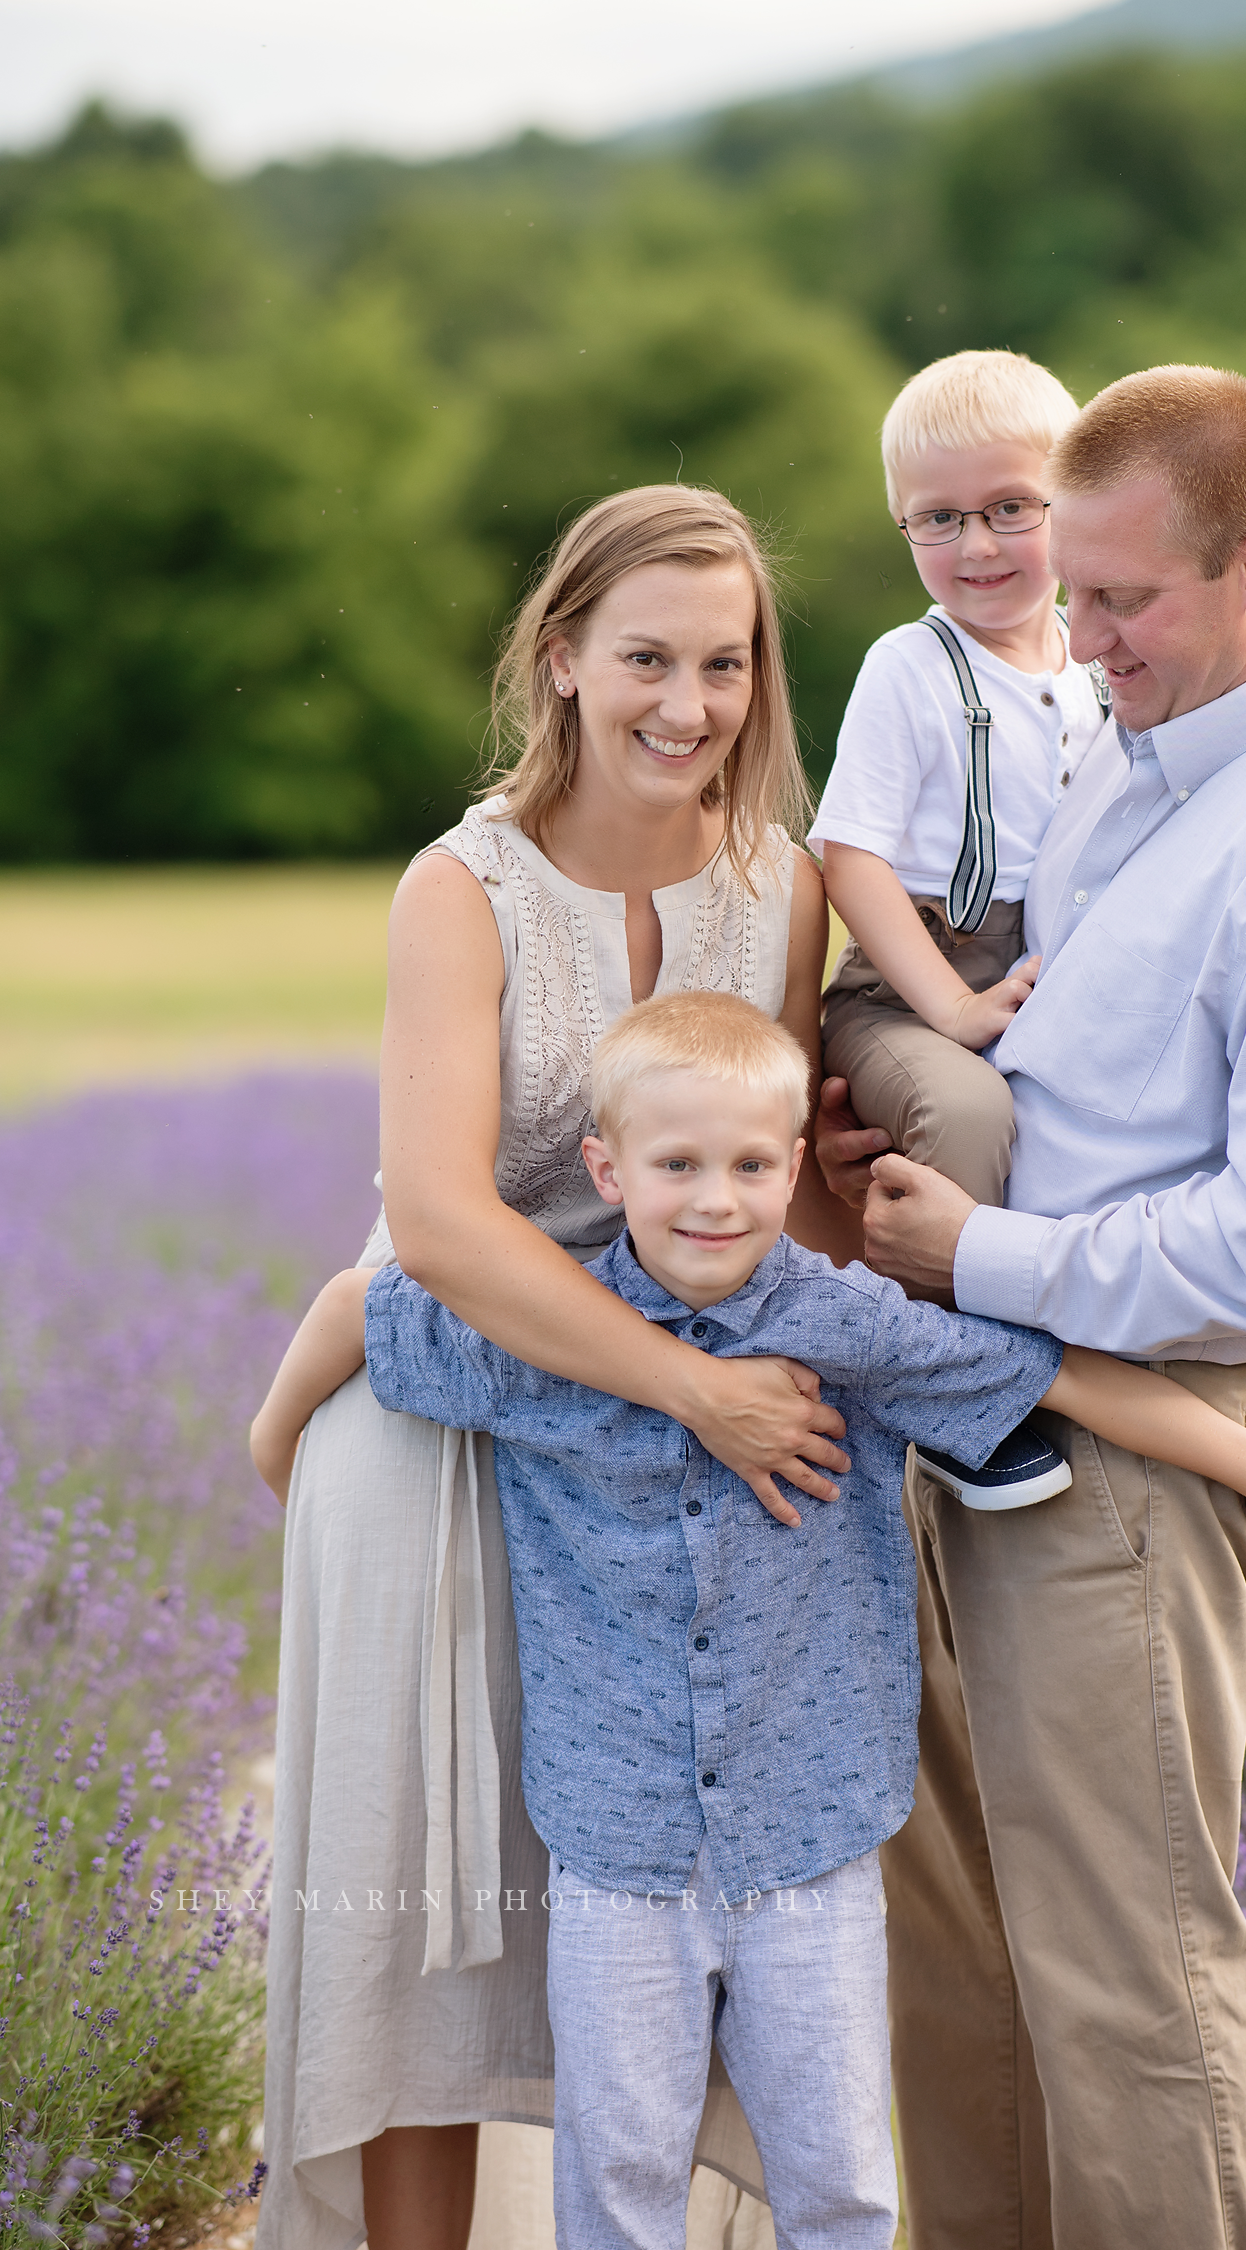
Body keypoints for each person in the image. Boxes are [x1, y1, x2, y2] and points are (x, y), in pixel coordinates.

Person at [253, 989, 1246, 2250]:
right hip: (615, 1854)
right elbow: (351, 1307)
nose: (716, 1199)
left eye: (752, 1166)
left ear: (792, 1169)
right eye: (678, 1166)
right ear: (608, 1168)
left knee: (837, 2187)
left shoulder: (844, 1323)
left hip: (811, 1843)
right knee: (618, 2186)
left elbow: (1050, 1377)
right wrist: (276, 1460)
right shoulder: (537, 1332)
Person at [817, 364, 1246, 2250]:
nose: (1072, 638)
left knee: (1132, 1991)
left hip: (1128, 1458)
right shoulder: (1149, 735)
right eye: (1068, 591)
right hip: (975, 1402)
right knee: (960, 1971)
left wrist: (980, 1257)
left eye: (1121, 602)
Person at [255, 484, 860, 2250]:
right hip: (439, 1424)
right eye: (649, 660)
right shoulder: (462, 890)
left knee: (647, 1910)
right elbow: (439, 1224)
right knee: (423, 1912)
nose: (688, 705)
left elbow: (795, 1206)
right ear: (563, 658)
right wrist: (691, 1390)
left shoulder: (786, 890)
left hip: (666, 1465)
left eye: (727, 665)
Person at [811, 348, 1246, 1219]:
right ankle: (938, 1347)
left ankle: (966, 1323)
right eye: (937, 519)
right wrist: (952, 1011)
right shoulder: (918, 667)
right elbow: (848, 856)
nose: (978, 545)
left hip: (1022, 1018)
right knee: (964, 1116)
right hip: (921, 975)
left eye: (1010, 509)